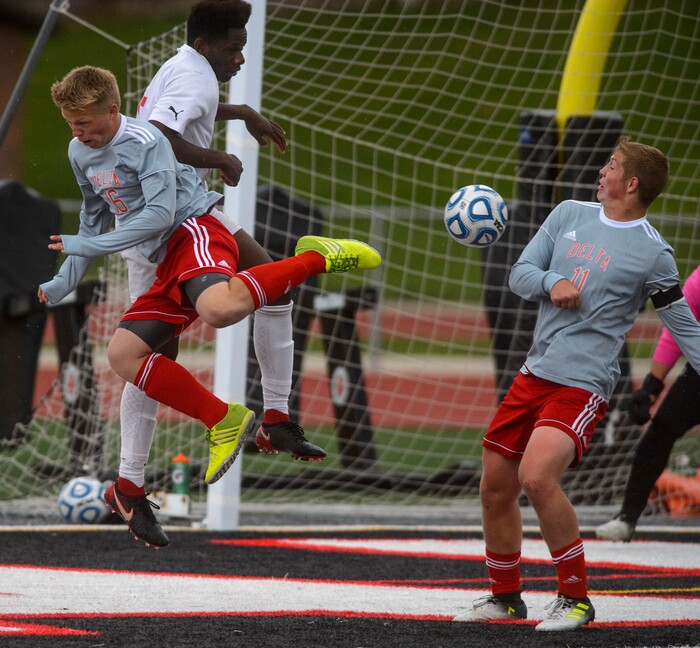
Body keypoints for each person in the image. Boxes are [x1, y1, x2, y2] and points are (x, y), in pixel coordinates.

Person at [39, 66, 380, 548]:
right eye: (71, 124)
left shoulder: (147, 138)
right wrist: (62, 280)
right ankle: (218, 425)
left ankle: (315, 257)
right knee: (123, 356)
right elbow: (91, 220)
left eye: (85, 123)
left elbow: (158, 214)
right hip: (160, 261)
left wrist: (93, 246)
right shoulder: (82, 151)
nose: (78, 133)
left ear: (112, 110)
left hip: (192, 230)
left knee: (221, 309)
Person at [453, 136, 700, 631]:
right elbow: (521, 273)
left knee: (537, 477)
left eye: (612, 164)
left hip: (584, 383)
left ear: (630, 184)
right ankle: (505, 597)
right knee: (495, 485)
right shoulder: (568, 213)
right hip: (533, 372)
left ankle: (576, 599)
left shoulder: (656, 255)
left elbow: (684, 325)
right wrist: (551, 282)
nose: (603, 169)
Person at [128, 0, 325, 487]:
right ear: (204, 44)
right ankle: (131, 479)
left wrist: (242, 113)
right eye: (234, 48)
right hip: (170, 220)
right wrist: (222, 158)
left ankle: (275, 421)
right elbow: (157, 134)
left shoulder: (183, 65)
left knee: (275, 288)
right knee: (152, 355)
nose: (240, 58)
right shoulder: (194, 77)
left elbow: (187, 113)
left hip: (182, 208)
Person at [596, 265, 700, 541]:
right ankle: (627, 518)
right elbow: (678, 329)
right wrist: (651, 387)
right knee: (660, 431)